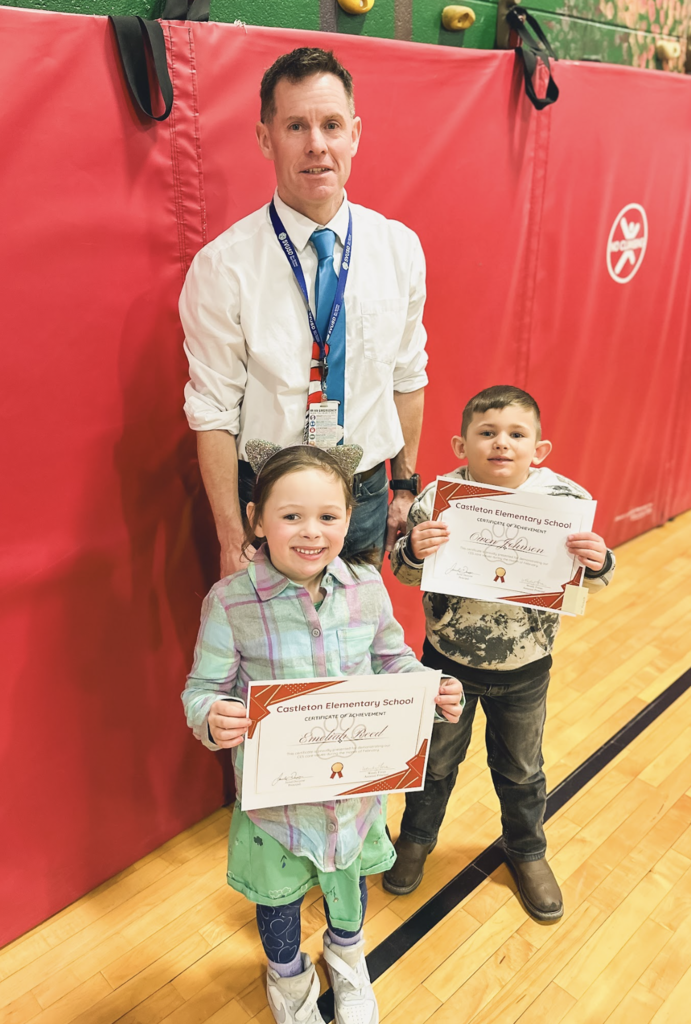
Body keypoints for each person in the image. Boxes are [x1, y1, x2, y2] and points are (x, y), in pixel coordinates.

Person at [182, 443, 463, 1024]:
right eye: (291, 516)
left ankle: (348, 957)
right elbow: (203, 688)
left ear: (347, 520)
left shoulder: (366, 586)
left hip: (355, 795)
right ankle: (287, 979)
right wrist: (213, 715)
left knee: (350, 885)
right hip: (276, 807)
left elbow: (393, 661)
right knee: (278, 902)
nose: (311, 532)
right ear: (257, 518)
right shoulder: (231, 602)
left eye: (328, 517)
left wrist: (427, 689)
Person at [180, 47, 428, 577]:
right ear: (266, 138)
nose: (317, 145)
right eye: (296, 126)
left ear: (355, 134)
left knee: (354, 652)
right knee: (275, 656)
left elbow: (408, 376)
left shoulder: (400, 248)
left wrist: (405, 485)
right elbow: (213, 413)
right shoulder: (223, 266)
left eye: (331, 125)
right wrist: (230, 534)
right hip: (270, 502)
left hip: (366, 495)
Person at [383, 385, 616, 922]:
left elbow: (590, 586)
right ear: (461, 444)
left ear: (540, 449)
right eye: (486, 433)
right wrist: (413, 550)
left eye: (516, 434)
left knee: (521, 770)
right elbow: (400, 570)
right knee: (434, 763)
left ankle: (526, 850)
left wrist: (598, 562)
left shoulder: (565, 503)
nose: (501, 444)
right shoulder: (435, 500)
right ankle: (416, 837)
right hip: (445, 664)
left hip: (526, 669)